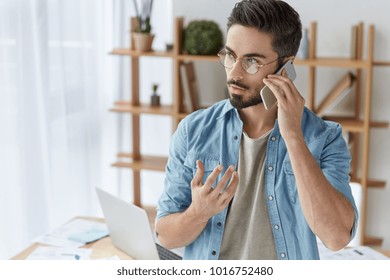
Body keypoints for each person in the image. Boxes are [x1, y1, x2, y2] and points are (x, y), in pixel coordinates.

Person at [155, 0, 358, 260]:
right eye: (230, 56)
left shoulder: (325, 138)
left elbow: (336, 237)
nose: (234, 73)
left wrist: (293, 136)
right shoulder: (193, 130)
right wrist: (199, 212)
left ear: (285, 67)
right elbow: (164, 236)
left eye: (251, 61)